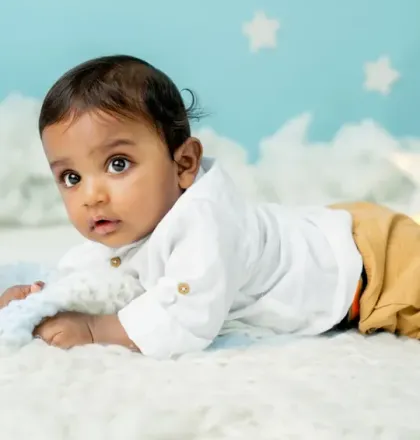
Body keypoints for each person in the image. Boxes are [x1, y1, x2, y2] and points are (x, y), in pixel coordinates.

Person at [1, 55, 420, 359]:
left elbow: (187, 315)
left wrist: (96, 329)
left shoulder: (203, 221)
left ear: (183, 164)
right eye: (71, 177)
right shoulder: (128, 221)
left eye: (118, 164)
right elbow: (98, 272)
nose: (91, 195)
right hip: (331, 231)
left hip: (375, 267)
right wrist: (44, 295)